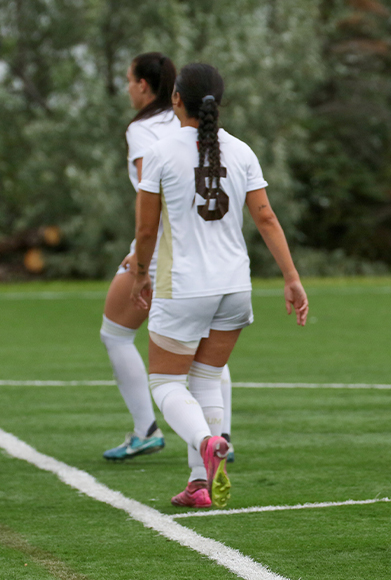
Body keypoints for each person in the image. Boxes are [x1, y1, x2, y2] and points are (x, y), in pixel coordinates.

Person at [131, 63, 308, 508]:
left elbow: (146, 232)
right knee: (206, 379)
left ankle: (208, 442)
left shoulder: (161, 151)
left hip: (185, 287)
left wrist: (139, 275)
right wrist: (291, 277)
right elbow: (266, 218)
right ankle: (199, 484)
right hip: (234, 287)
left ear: (176, 98)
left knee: (165, 384)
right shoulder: (242, 151)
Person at [100, 52, 238, 466]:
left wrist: (139, 256)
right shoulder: (206, 123)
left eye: (129, 80)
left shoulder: (143, 129)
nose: (128, 88)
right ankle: (220, 436)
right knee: (209, 348)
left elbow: (157, 195)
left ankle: (147, 430)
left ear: (146, 86)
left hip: (167, 251)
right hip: (215, 255)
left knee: (115, 333)